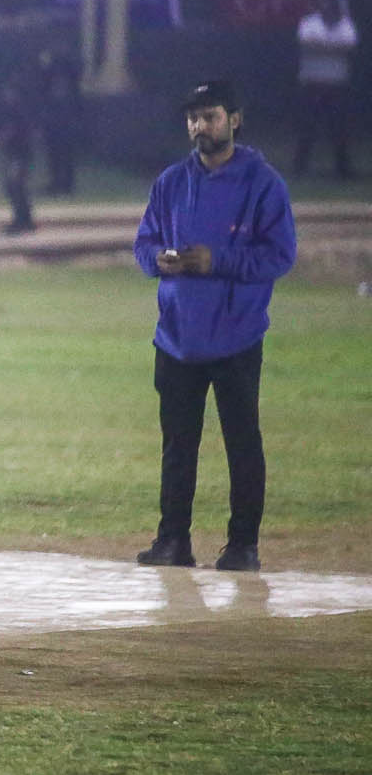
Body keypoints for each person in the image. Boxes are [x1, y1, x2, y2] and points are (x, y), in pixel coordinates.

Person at [132, 80, 295, 573]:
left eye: (210, 116)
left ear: (234, 120)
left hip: (236, 336)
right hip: (176, 336)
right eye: (193, 118)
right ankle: (172, 541)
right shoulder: (170, 182)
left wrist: (216, 260)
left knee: (242, 444)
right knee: (177, 446)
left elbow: (280, 255)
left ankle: (242, 546)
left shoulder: (263, 183)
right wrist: (157, 259)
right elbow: (143, 243)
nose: (200, 126)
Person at [293, 0, 357, 179]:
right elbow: (307, 45)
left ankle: (343, 169)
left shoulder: (345, 24)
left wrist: (323, 45)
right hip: (312, 83)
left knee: (338, 128)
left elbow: (350, 46)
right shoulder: (309, 23)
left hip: (337, 84)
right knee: (308, 126)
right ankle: (300, 167)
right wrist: (334, 46)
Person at [38, 45, 81, 195]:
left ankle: (62, 184)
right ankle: (59, 183)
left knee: (62, 152)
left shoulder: (61, 75)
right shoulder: (60, 77)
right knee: (58, 152)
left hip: (62, 118)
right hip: (59, 117)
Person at [0, 77, 36, 235]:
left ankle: (22, 220)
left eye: (8, 92)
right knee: (16, 186)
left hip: (21, 154)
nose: (5, 95)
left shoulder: (17, 110)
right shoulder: (12, 110)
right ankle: (25, 219)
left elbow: (14, 131)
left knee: (14, 185)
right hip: (17, 154)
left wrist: (0, 138)